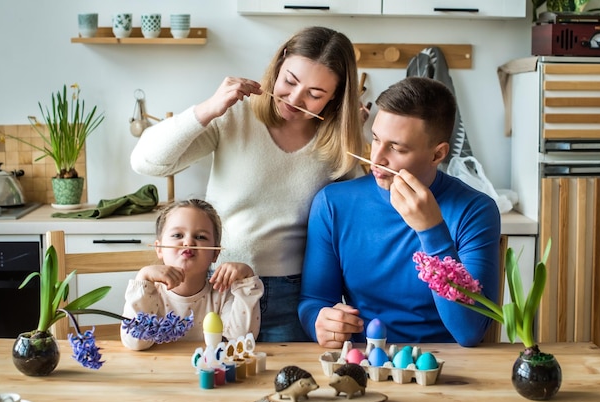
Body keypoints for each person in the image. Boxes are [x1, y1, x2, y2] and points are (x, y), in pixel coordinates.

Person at [130, 26, 364, 342]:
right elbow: (146, 162)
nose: (295, 99)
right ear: (278, 65)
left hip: (294, 297)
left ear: (336, 96)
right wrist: (207, 109)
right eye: (290, 81)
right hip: (219, 289)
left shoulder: (338, 142)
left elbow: (362, 216)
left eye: (315, 94)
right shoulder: (235, 115)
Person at [298, 76, 501, 349]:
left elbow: (469, 331)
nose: (376, 158)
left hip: (445, 366)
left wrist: (431, 230)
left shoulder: (475, 211)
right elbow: (315, 301)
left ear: (437, 155)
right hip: (365, 362)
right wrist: (319, 322)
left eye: (396, 147)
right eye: (375, 139)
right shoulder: (333, 203)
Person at [121, 199, 264, 351]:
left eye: (201, 237)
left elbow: (240, 341)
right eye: (177, 235)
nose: (188, 242)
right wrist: (143, 278)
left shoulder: (223, 293)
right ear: (159, 248)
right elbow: (135, 342)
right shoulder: (149, 293)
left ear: (215, 253)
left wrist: (246, 280)